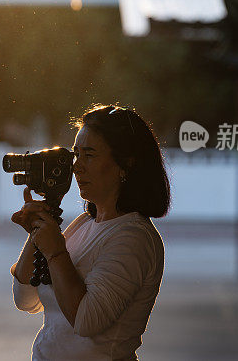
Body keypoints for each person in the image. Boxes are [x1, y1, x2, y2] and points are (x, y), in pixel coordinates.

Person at [10, 104, 170, 361]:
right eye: (76, 155)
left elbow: (86, 321)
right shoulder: (84, 224)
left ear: (125, 164)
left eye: (90, 155)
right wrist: (39, 228)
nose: (77, 167)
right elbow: (25, 299)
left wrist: (55, 251)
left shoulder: (133, 238)